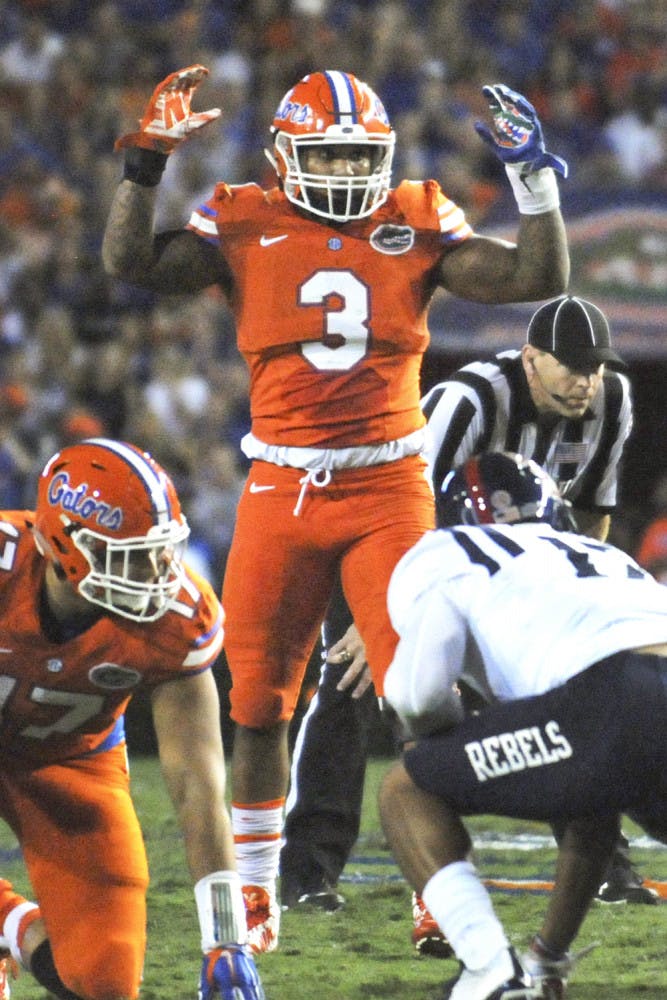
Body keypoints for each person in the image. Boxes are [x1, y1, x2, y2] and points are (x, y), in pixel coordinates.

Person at [102, 64, 570, 952]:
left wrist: (532, 181)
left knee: (418, 693)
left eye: (364, 154)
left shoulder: (416, 216)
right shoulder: (243, 219)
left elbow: (531, 278)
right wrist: (143, 164)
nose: (351, 170)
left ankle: (439, 885)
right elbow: (130, 261)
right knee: (258, 703)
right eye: (332, 153)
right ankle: (251, 890)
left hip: (388, 485)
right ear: (284, 155)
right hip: (281, 483)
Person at [280, 294, 653, 930]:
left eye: (595, 366)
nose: (586, 380)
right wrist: (381, 620)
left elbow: (590, 511)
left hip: (509, 570)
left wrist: (581, 602)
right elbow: (404, 510)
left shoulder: (610, 401)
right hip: (392, 542)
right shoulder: (470, 399)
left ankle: (606, 867)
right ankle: (307, 871)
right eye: (571, 365)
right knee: (349, 683)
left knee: (568, 688)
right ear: (531, 359)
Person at [379, 452, 667, 999]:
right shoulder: (601, 552)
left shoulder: (446, 551)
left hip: (610, 697)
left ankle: (490, 973)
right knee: (589, 794)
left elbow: (416, 695)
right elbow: (591, 799)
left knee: (406, 787)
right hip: (630, 688)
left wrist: (446, 735)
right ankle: (543, 964)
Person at [0, 439, 263, 1000]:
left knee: (104, 979)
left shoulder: (178, 618)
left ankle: (19, 930)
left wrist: (226, 941)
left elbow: (198, 784)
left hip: (67, 759)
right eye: (132, 555)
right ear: (66, 546)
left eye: (160, 551)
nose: (157, 573)